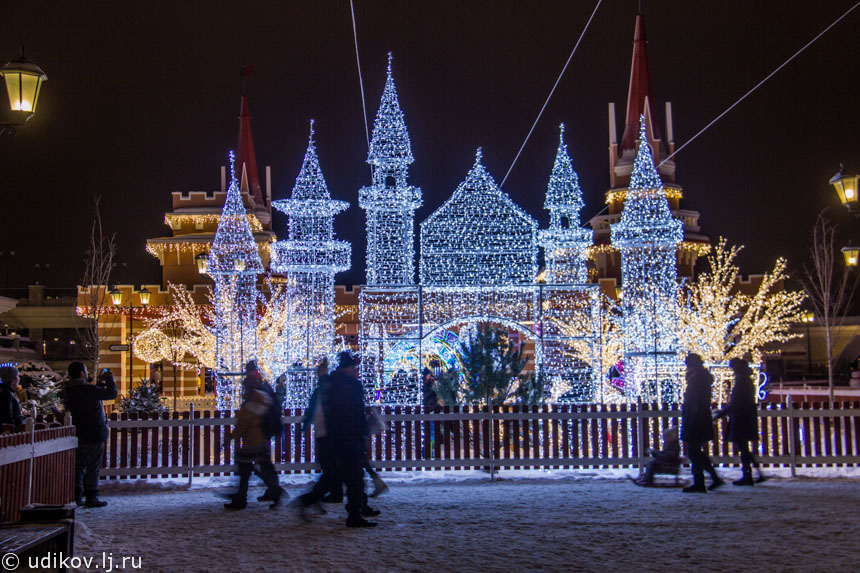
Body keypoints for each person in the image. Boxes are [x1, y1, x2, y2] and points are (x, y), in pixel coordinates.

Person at [306, 351, 376, 527]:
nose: (357, 371)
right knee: (353, 478)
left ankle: (357, 509)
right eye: (354, 367)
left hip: (338, 438)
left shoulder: (334, 384)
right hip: (349, 438)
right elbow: (353, 413)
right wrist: (361, 431)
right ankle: (354, 514)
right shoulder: (350, 387)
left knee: (347, 477)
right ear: (348, 368)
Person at [63, 362, 118, 507]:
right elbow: (111, 393)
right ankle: (91, 496)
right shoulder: (88, 390)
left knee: (78, 466)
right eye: (85, 371)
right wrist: (109, 379)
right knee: (93, 466)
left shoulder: (69, 390)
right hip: (94, 432)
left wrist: (98, 383)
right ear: (82, 373)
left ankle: (76, 495)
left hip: (76, 433)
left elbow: (91, 393)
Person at [224, 379, 284, 510]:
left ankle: (241, 499)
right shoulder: (262, 400)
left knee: (245, 471)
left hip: (250, 443)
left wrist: (229, 437)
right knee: (261, 469)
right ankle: (273, 490)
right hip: (260, 441)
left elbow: (241, 427)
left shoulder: (249, 407)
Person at [715, 358, 766, 486]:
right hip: (745, 416)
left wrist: (721, 413)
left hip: (741, 417)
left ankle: (748, 475)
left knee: (743, 448)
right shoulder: (745, 380)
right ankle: (756, 473)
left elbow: (736, 402)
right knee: (744, 448)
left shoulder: (741, 381)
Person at [680, 354, 723, 493]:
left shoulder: (697, 379)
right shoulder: (700, 378)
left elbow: (695, 401)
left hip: (696, 419)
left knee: (694, 452)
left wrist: (691, 416)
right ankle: (713, 478)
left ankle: (700, 482)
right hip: (699, 418)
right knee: (697, 451)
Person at [0, 365, 23, 430]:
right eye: (17, 376)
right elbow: (7, 415)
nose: (19, 378)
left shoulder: (8, 392)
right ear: (12, 379)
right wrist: (14, 429)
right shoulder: (7, 394)